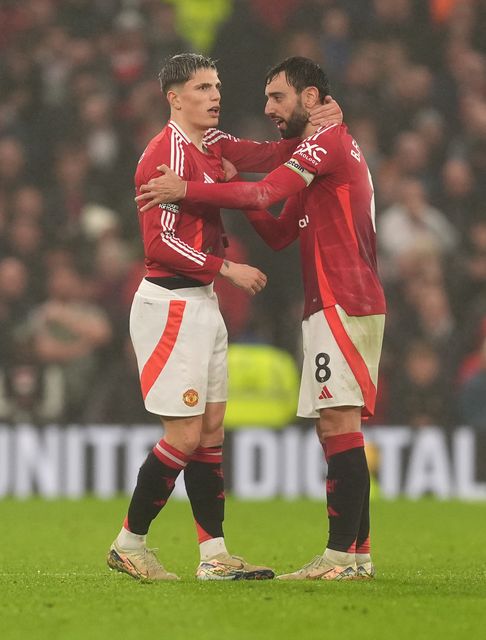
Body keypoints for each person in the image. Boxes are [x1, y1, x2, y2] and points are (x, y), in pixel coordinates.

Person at [136, 56, 386, 581]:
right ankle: (351, 557)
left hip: (340, 297)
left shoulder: (326, 144)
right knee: (327, 428)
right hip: (328, 298)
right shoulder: (318, 156)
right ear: (175, 97)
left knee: (336, 425)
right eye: (205, 86)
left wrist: (191, 192)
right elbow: (274, 229)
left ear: (312, 98)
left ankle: (342, 559)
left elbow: (264, 184)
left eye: (278, 97)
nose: (266, 107)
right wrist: (234, 187)